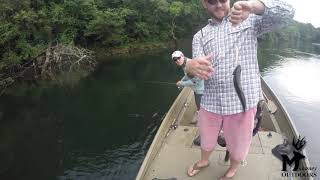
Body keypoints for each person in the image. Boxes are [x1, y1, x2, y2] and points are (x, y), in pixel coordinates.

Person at [184, 0, 294, 179]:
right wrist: (189, 69)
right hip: (210, 103)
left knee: (239, 145)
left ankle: (233, 169)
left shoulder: (249, 19)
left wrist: (255, 6)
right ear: (204, 3)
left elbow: (287, 14)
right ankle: (204, 160)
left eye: (223, 0)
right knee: (206, 139)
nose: (219, 5)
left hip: (242, 106)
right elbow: (197, 75)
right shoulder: (200, 36)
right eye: (212, 1)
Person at [171, 50, 204, 123]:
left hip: (201, 89)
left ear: (182, 56)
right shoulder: (185, 64)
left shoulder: (191, 65)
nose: (177, 61)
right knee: (198, 103)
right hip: (197, 89)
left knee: (199, 105)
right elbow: (187, 76)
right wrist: (181, 81)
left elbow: (194, 81)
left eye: (178, 58)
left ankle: (202, 120)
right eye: (175, 60)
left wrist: (181, 84)